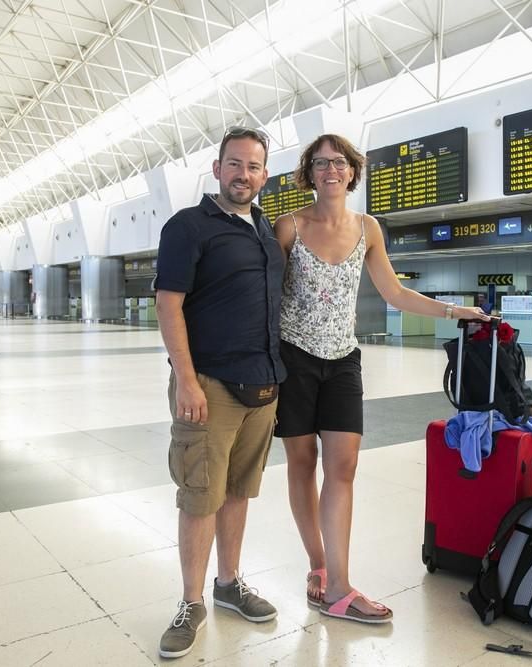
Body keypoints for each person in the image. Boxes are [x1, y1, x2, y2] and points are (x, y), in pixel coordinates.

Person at [273, 134, 490, 624]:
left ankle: (340, 587)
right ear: (309, 173)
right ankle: (319, 565)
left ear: (353, 171)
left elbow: (394, 292)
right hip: (295, 360)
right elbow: (263, 294)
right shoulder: (289, 226)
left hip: (343, 360)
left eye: (340, 163)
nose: (331, 170)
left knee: (343, 467)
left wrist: (456, 310)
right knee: (302, 464)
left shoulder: (368, 228)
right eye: (321, 163)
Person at [153, 126, 286, 659]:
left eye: (253, 167)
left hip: (263, 385)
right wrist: (186, 379)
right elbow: (169, 304)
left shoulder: (266, 230)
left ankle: (228, 584)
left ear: (264, 175)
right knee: (200, 495)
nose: (243, 175)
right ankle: (191, 602)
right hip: (208, 384)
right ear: (217, 169)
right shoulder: (189, 227)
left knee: (237, 490)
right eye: (234, 164)